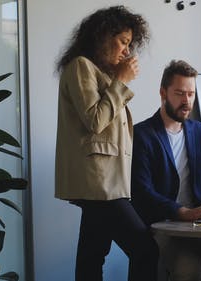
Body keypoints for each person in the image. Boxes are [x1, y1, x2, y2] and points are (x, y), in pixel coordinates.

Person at [54, 6, 158, 281]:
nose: (127, 51)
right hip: (99, 184)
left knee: (91, 257)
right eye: (123, 41)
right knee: (146, 249)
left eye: (129, 44)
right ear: (102, 36)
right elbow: (95, 120)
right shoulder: (81, 66)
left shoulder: (101, 74)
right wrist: (122, 80)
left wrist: (117, 81)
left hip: (107, 184)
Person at [131, 60, 201, 281]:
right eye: (180, 93)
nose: (187, 101)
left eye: (191, 94)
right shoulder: (143, 134)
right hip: (164, 226)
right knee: (190, 268)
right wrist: (182, 212)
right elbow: (141, 191)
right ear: (163, 93)